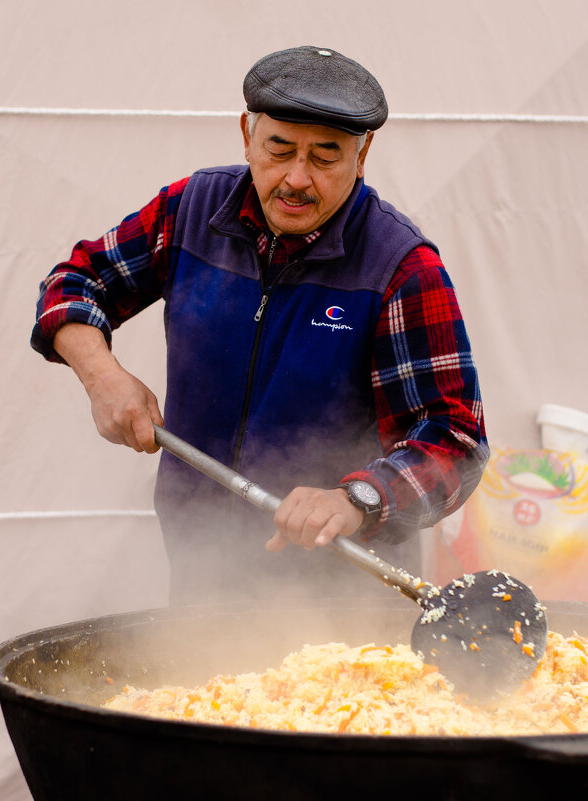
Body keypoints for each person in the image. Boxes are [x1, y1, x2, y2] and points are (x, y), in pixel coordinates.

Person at [32, 45, 488, 603]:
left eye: (325, 157)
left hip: (341, 603)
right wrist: (100, 374)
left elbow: (455, 440)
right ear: (247, 134)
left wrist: (358, 499)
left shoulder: (401, 267)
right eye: (279, 149)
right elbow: (74, 282)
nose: (296, 178)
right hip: (200, 569)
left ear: (363, 154)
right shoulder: (191, 211)